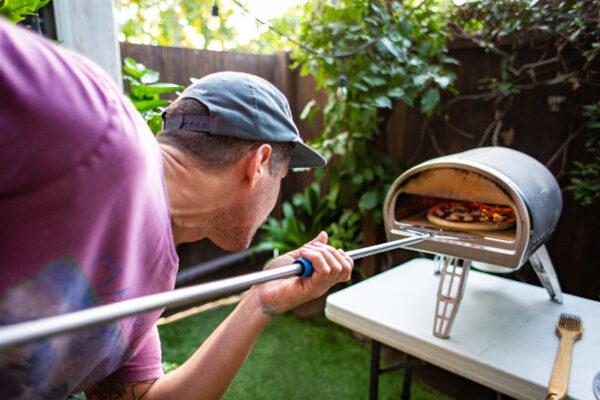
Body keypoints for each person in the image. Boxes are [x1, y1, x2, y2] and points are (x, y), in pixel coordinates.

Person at [0, 18, 353, 400]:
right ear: (258, 164)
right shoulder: (98, 122)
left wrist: (260, 301)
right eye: (281, 176)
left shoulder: (152, 275)